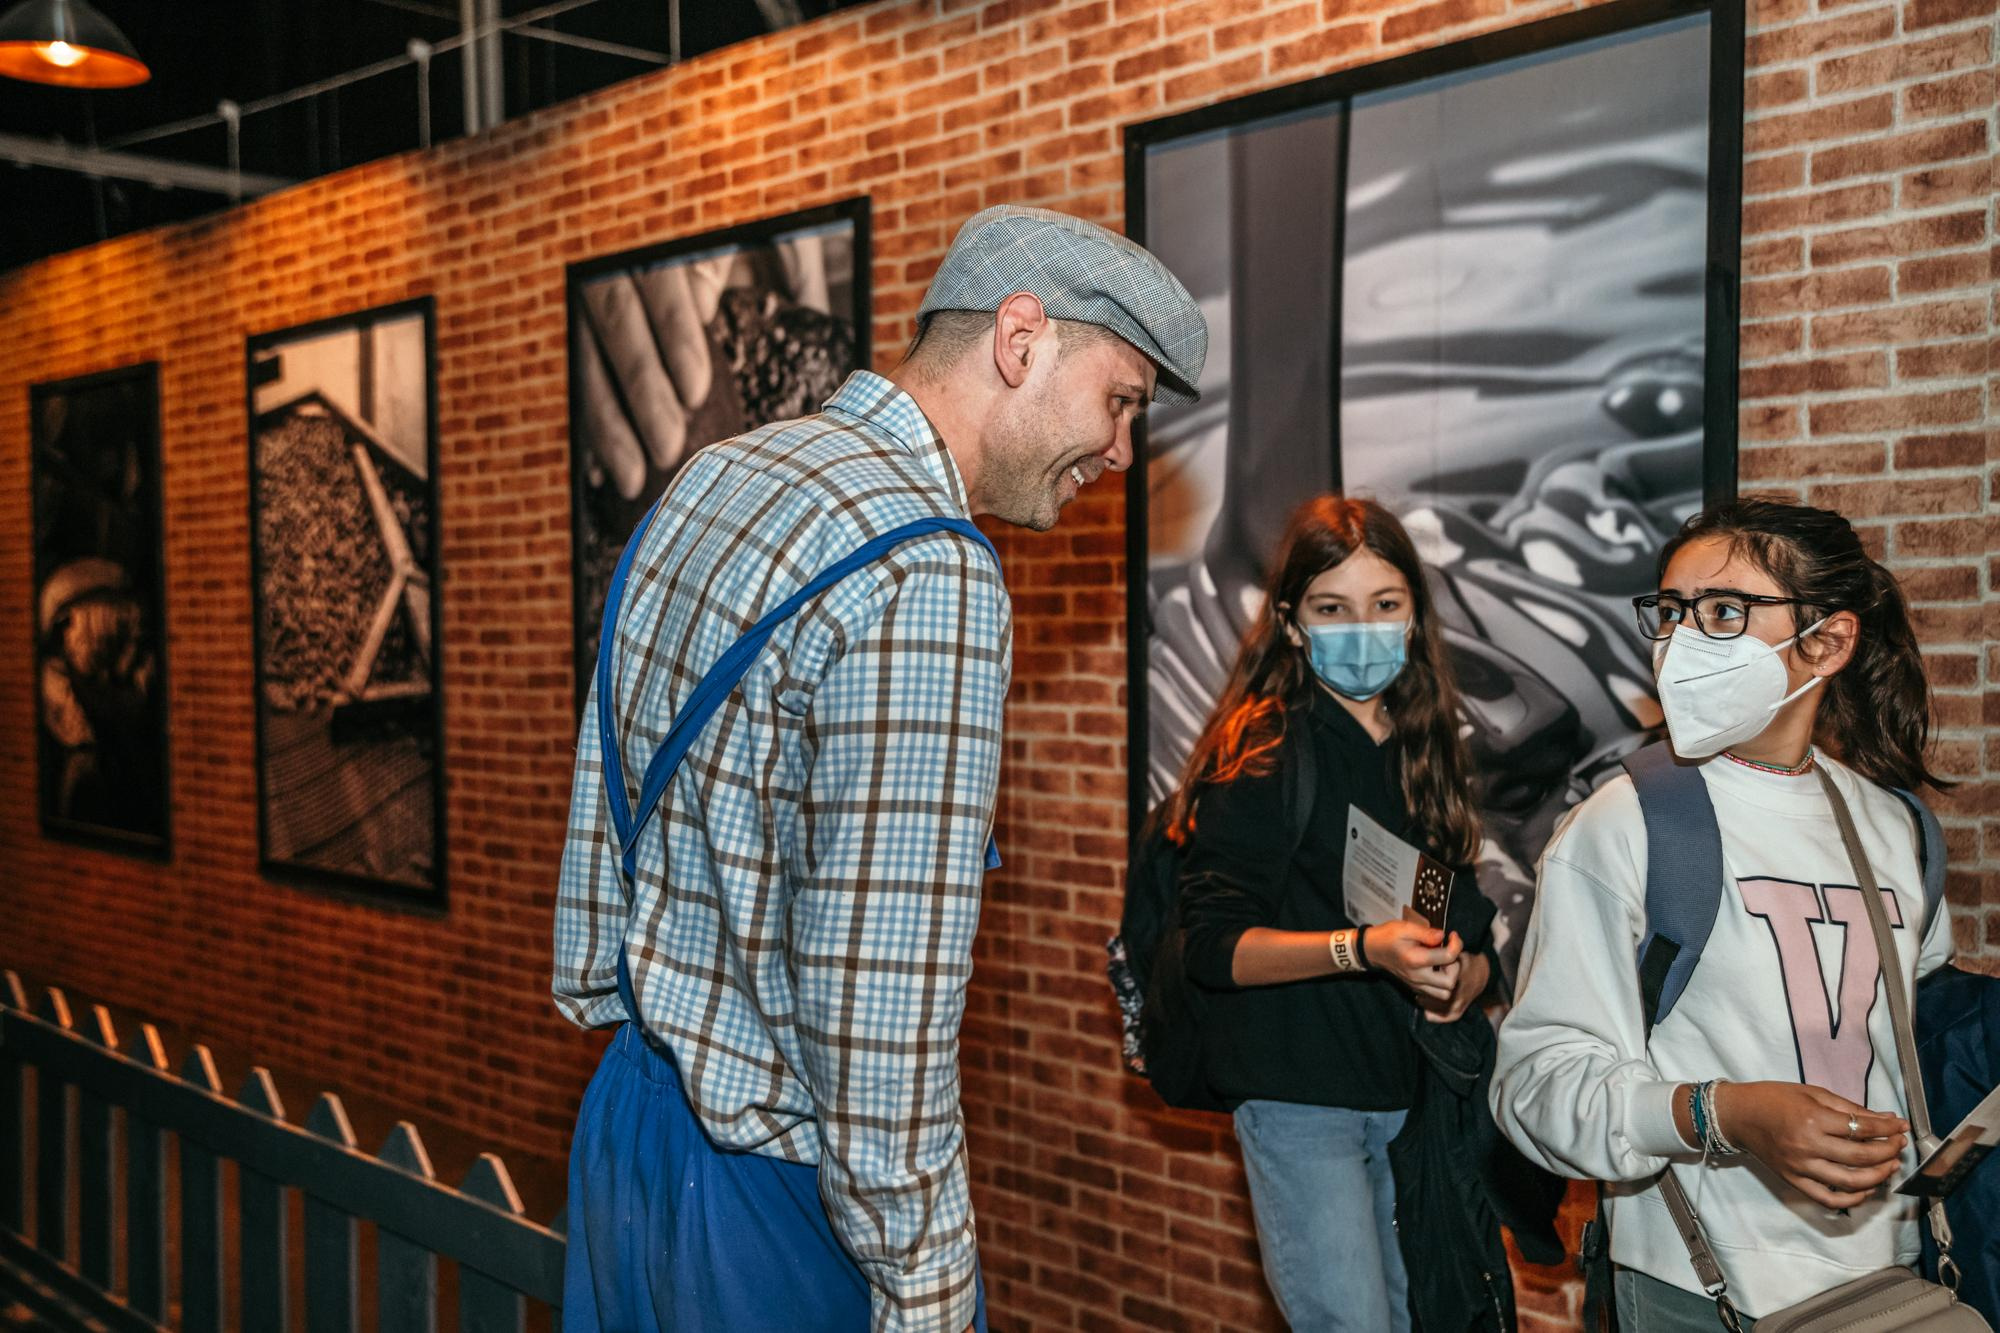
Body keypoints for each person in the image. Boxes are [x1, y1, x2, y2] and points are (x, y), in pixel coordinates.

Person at [552, 204, 1207, 1333]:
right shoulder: (929, 574)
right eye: (1119, 401)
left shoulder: (715, 477)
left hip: (627, 1126)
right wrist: (929, 1290)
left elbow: (602, 829)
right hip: (770, 1200)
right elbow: (878, 1034)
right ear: (1019, 340)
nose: (1116, 453)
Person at [1491, 498, 1958, 1328]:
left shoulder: (1897, 828)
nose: (1682, 638)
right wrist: (1723, 1111)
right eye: (1672, 611)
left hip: (1885, 1277)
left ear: (1828, 639)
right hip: (1696, 1283)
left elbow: (1911, 1047)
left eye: (1724, 611)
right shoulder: (1629, 818)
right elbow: (1537, 1086)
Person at [1165, 494, 1501, 1331]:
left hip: (1410, 1099)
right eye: (1332, 608)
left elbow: (1474, 921)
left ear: (1415, 615)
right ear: (1291, 622)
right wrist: (1364, 948)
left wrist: (1467, 976)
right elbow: (1213, 946)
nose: (1363, 627)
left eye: (1385, 604)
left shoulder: (1427, 745)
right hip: (1299, 1102)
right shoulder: (1264, 751)